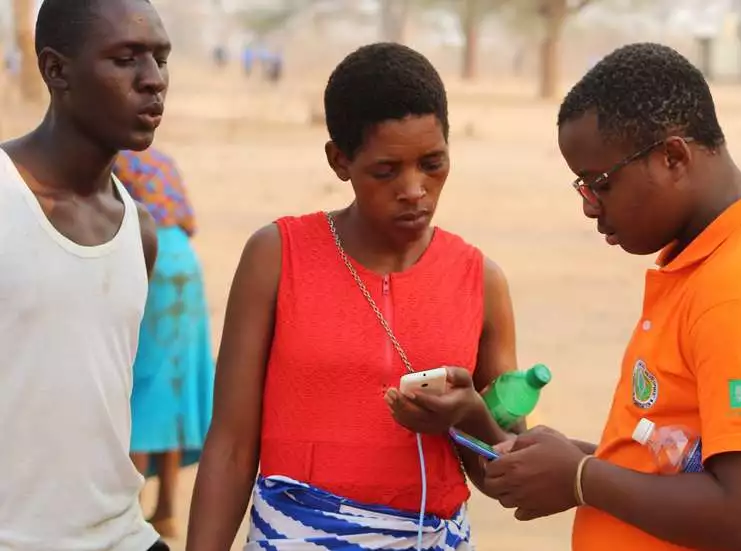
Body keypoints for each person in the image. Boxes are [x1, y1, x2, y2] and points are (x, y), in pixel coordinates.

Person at [484, 43, 741, 551]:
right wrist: (574, 462)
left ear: (672, 157)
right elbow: (689, 462)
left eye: (599, 185)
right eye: (581, 188)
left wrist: (582, 477)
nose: (591, 209)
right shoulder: (710, 262)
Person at [186, 42, 519, 551]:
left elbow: (504, 474)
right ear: (339, 160)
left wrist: (470, 413)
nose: (414, 189)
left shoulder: (481, 281)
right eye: (386, 171)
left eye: (433, 163)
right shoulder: (278, 257)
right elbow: (231, 446)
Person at [0, 0, 172, 550]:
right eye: (125, 59)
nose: (153, 81)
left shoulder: (138, 232)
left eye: (160, 59)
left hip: (121, 536)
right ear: (56, 70)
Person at [113, 146, 216, 540]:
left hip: (148, 257)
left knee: (141, 388)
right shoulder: (161, 160)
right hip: (184, 262)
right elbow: (188, 220)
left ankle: (130, 512)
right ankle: (168, 510)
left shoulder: (110, 157)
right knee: (172, 387)